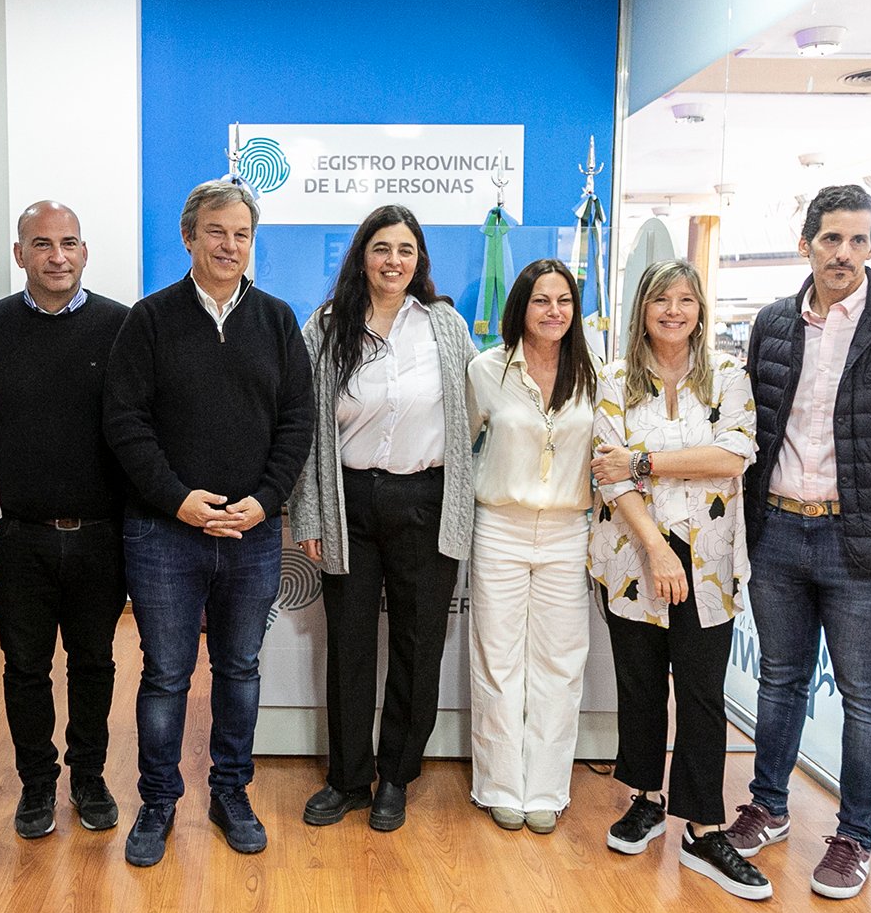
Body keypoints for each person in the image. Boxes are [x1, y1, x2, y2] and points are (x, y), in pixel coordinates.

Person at [730, 184, 871, 899]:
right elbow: (751, 431)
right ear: (806, 244)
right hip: (778, 531)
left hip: (866, 542)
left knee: (868, 695)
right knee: (780, 679)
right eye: (832, 238)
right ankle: (768, 806)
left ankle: (855, 836)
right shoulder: (772, 323)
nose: (845, 254)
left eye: (859, 240)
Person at [104, 179, 314, 867]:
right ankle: (158, 801)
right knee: (166, 673)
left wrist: (267, 499)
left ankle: (230, 793)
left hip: (252, 531)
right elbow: (125, 423)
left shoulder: (277, 320)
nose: (229, 245)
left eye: (241, 234)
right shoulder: (150, 319)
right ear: (188, 236)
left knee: (240, 668)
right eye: (216, 231)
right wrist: (177, 499)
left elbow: (297, 421)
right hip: (164, 532)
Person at [289, 205, 476, 833]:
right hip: (349, 501)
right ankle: (348, 779)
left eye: (405, 249)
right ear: (361, 256)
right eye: (381, 248)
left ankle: (396, 775)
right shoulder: (326, 327)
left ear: (419, 259)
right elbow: (305, 429)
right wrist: (310, 513)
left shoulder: (444, 325)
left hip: (425, 500)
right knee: (348, 645)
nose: (393, 261)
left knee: (419, 646)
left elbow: (475, 410)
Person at [589, 258, 770, 901]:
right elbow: (607, 474)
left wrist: (642, 460)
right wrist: (657, 551)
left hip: (710, 562)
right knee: (639, 684)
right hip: (633, 554)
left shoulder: (728, 375)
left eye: (686, 299)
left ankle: (703, 827)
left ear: (700, 310)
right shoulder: (613, 379)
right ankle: (645, 797)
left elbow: (733, 455)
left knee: (700, 691)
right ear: (642, 308)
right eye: (661, 299)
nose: (673, 310)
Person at [0, 201, 129, 840]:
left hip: (100, 536)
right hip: (19, 538)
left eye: (68, 243)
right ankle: (36, 783)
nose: (57, 256)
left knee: (94, 663)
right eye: (41, 244)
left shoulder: (122, 326)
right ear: (19, 254)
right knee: (25, 668)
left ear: (85, 251)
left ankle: (89, 777)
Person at [465, 259, 595, 835]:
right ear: (521, 306)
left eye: (564, 301)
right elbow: (461, 445)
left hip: (568, 531)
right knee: (498, 661)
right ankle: (499, 786)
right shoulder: (486, 370)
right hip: (500, 526)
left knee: (559, 665)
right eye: (541, 300)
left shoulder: (594, 373)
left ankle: (545, 788)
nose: (553, 311)